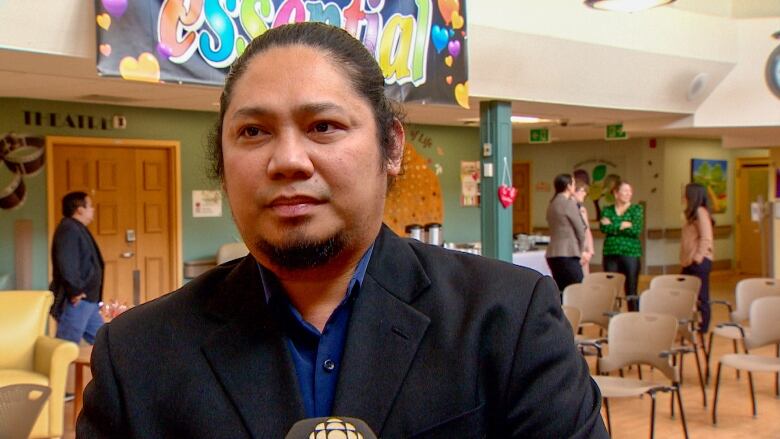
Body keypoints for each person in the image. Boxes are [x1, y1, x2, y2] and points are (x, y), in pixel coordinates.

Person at [78, 23, 607, 438]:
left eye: (323, 127)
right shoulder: (138, 355)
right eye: (254, 131)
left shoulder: (507, 318)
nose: (287, 160)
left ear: (392, 147)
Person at [50, 191, 105, 344]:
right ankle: (54, 369)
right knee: (63, 347)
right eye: (90, 206)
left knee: (105, 344)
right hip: (77, 300)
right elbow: (67, 262)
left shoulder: (77, 228)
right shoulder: (69, 229)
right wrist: (75, 291)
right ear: (79, 209)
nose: (93, 209)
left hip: (88, 301)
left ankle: (119, 368)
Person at [600, 180, 643, 311]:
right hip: (610, 253)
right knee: (611, 288)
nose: (628, 194)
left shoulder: (636, 209)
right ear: (616, 193)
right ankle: (612, 320)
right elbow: (603, 228)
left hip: (631, 253)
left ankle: (634, 318)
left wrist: (613, 225)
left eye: (630, 191)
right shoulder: (607, 210)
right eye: (625, 191)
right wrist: (623, 225)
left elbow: (636, 229)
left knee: (631, 289)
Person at [680, 183, 714, 333]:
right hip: (689, 261)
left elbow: (706, 238)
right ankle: (690, 324)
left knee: (701, 295)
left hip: (698, 261)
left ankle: (703, 327)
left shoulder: (700, 212)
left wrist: (698, 257)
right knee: (685, 294)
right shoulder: (692, 213)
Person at [546, 174, 587, 293]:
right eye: (573, 184)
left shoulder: (552, 204)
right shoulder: (569, 204)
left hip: (553, 253)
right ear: (569, 186)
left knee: (561, 290)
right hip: (568, 252)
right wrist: (580, 251)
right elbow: (580, 230)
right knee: (577, 290)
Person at [573, 182, 595, 275]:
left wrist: (590, 250)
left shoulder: (582, 209)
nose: (584, 194)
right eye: (582, 191)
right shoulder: (568, 208)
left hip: (585, 250)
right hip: (574, 251)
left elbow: (587, 229)